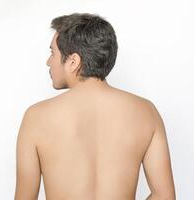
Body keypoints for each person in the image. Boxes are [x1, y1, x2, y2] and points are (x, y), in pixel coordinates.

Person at [15, 13, 176, 200]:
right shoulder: (146, 112)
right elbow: (164, 196)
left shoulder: (36, 117)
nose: (48, 62)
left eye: (52, 53)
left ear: (73, 62)